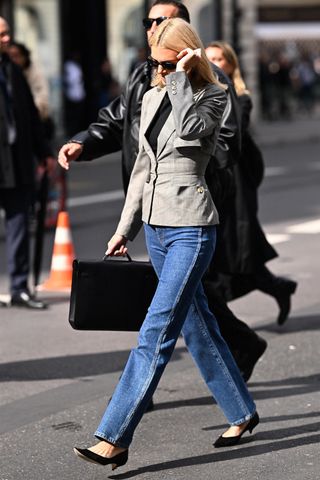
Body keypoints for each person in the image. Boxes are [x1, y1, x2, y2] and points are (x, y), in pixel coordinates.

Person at [71, 18, 259, 469]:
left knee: (155, 331)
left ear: (185, 57)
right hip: (155, 227)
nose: (156, 72)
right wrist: (124, 228)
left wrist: (180, 78)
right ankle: (241, 411)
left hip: (192, 228)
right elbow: (142, 170)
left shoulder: (213, 96)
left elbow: (195, 132)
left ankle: (113, 436)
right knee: (198, 326)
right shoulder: (153, 95)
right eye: (153, 63)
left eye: (164, 62)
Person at [205, 41, 297, 325]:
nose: (215, 64)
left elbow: (233, 133)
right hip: (216, 181)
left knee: (235, 249)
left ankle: (219, 324)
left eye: (220, 59)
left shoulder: (240, 98)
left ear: (231, 65)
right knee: (235, 254)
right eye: (209, 59)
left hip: (236, 183)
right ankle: (277, 287)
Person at [0, 17, 53, 309]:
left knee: (20, 223)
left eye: (8, 33)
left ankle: (20, 287)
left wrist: (44, 152)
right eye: (2, 34)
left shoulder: (13, 71)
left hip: (17, 161)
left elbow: (31, 116)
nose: (7, 39)